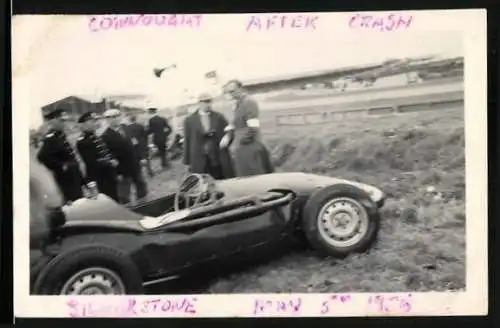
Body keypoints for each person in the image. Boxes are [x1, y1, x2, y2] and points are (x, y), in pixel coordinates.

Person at [222, 79, 274, 177]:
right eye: (229, 92)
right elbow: (236, 122)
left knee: (256, 175)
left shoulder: (249, 102)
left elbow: (253, 127)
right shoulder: (237, 104)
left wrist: (240, 142)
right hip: (242, 148)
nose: (231, 94)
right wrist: (229, 135)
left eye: (233, 91)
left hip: (251, 146)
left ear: (240, 89)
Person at [37, 107, 88, 203]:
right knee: (73, 206)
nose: (64, 123)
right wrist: (61, 166)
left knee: (79, 203)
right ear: (53, 121)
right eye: (61, 121)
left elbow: (70, 157)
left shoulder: (61, 136)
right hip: (66, 180)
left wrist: (81, 180)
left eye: (65, 121)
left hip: (73, 177)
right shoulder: (51, 138)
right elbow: (42, 157)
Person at [183, 93, 235, 179]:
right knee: (203, 182)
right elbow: (187, 141)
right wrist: (187, 162)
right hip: (199, 158)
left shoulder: (219, 117)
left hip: (217, 157)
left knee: (221, 179)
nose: (208, 105)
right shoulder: (189, 120)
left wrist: (228, 136)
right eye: (205, 102)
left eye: (209, 102)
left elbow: (230, 130)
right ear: (199, 103)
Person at [100, 109, 148, 204]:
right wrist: (116, 172)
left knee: (141, 187)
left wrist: (142, 157)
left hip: (135, 164)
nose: (116, 119)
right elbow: (108, 155)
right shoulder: (105, 136)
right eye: (112, 117)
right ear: (107, 120)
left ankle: (144, 204)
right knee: (124, 195)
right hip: (122, 169)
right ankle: (128, 210)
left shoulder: (127, 128)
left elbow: (136, 144)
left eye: (117, 116)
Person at [75, 111, 120, 201]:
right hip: (98, 177)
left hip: (108, 174)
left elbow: (105, 152)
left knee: (114, 199)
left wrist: (112, 159)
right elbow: (91, 162)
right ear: (83, 124)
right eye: (92, 122)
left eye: (95, 121)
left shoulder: (96, 136)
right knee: (105, 201)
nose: (95, 123)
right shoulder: (83, 141)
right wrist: (109, 162)